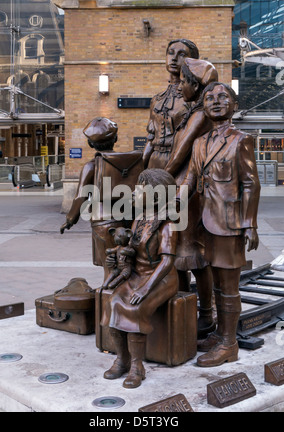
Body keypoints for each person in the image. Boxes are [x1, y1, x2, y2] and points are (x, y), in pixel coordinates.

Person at [182, 82, 260, 367]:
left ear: (234, 105)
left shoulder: (241, 140)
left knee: (229, 287)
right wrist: (167, 201)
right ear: (204, 107)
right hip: (204, 224)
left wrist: (250, 224)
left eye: (222, 97)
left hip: (229, 224)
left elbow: (251, 184)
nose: (215, 101)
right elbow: (190, 180)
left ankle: (230, 344)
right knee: (215, 285)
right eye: (209, 98)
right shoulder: (199, 143)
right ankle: (218, 332)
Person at [101, 169, 179, 389]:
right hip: (137, 274)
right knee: (114, 302)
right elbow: (132, 250)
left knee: (135, 309)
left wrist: (145, 290)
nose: (134, 192)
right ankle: (122, 359)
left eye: (139, 188)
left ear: (155, 194)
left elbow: (166, 263)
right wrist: (118, 259)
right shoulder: (139, 219)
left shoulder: (168, 224)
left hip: (160, 278)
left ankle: (137, 366)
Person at [165, 58, 218, 339]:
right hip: (181, 188)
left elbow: (179, 156)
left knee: (191, 252)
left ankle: (206, 313)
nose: (181, 86)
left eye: (185, 82)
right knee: (179, 252)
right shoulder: (192, 112)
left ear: (195, 86)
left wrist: (156, 181)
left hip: (190, 190)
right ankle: (184, 305)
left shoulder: (199, 116)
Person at [60, 117, 129, 281]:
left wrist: (70, 220)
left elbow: (81, 197)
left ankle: (109, 302)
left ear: (91, 144)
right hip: (128, 220)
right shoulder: (129, 162)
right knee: (127, 265)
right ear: (116, 139)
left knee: (110, 268)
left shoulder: (91, 166)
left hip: (104, 222)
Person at [143, 38, 199, 170]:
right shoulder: (156, 100)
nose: (174, 58)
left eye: (182, 54)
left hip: (184, 163)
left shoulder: (194, 99)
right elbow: (151, 139)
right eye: (171, 53)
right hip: (155, 161)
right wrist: (142, 167)